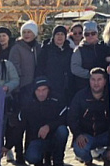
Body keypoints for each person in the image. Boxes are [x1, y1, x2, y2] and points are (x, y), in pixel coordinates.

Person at [6, 20, 42, 164]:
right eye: (25, 32)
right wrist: (20, 86)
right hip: (22, 89)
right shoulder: (17, 48)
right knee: (20, 123)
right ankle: (19, 153)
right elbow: (14, 67)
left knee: (31, 123)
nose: (27, 35)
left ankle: (29, 151)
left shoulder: (38, 47)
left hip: (35, 89)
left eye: (29, 32)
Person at [20, 76, 69, 166]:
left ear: (49, 90)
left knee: (63, 130)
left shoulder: (57, 100)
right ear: (34, 91)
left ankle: (58, 160)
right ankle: (39, 160)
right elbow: (19, 127)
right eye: (38, 90)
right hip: (36, 139)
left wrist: (49, 126)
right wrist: (8, 146)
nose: (41, 93)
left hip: (54, 137)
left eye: (44, 90)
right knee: (32, 157)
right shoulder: (28, 105)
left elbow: (65, 118)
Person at [69, 68, 110, 165]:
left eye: (99, 80)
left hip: (106, 135)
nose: (96, 83)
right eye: (93, 79)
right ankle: (88, 160)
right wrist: (78, 134)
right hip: (87, 135)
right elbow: (71, 117)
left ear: (105, 81)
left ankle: (106, 156)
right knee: (80, 150)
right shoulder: (80, 96)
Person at [37, 25, 73, 104]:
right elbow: (40, 68)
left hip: (66, 86)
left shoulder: (70, 51)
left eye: (62, 34)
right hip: (51, 86)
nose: (60, 36)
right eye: (57, 34)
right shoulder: (46, 50)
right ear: (53, 36)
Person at [71, 22, 110, 94]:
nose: (90, 36)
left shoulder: (104, 47)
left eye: (93, 33)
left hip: (105, 87)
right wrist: (91, 75)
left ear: (97, 34)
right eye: (87, 34)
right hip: (85, 87)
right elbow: (74, 68)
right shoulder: (79, 50)